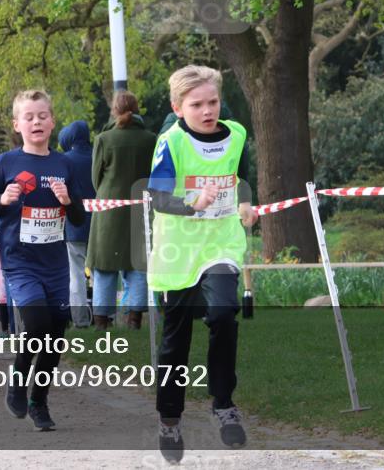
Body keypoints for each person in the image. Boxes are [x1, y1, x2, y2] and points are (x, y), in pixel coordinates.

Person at [147, 65, 258, 463]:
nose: (207, 110)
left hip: (221, 246)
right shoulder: (171, 142)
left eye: (212, 102)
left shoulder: (238, 133)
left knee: (224, 314)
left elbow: (239, 176)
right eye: (197, 105)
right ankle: (170, 418)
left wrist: (245, 202)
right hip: (178, 250)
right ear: (179, 107)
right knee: (175, 340)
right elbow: (157, 198)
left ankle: (223, 403)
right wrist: (191, 205)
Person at [0, 89, 85, 431]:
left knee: (56, 335)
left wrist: (68, 200)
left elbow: (77, 218)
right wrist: (1, 198)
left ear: (52, 121)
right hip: (19, 259)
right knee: (38, 325)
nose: (36, 122)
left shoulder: (64, 164)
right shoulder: (6, 163)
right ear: (17, 124)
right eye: (29, 117)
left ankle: (38, 401)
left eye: (42, 116)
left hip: (55, 262)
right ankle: (17, 381)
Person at [86, 91, 156, 331]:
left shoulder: (104, 139)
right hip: (141, 208)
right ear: (137, 110)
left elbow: (96, 178)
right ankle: (134, 320)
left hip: (109, 211)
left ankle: (101, 322)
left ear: (114, 111)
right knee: (137, 265)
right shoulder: (151, 139)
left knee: (105, 266)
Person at [58, 120, 94, 328]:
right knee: (101, 273)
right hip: (99, 223)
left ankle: (80, 320)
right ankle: (102, 318)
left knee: (76, 274)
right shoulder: (97, 156)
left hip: (74, 226)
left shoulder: (64, 160)